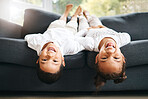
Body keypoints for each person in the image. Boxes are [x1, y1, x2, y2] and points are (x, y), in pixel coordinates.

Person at [25, 4, 84, 84]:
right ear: (62, 60)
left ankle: (66, 13)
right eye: (55, 61)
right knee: (73, 23)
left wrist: (40, 37)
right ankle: (75, 15)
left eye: (44, 60)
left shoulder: (36, 43)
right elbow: (83, 44)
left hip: (54, 29)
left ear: (38, 60)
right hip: (69, 32)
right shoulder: (70, 47)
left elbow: (27, 37)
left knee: (60, 20)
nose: (50, 55)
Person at [76, 10, 131, 90]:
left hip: (89, 31)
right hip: (102, 28)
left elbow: (76, 38)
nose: (110, 52)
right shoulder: (122, 40)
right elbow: (127, 36)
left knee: (83, 22)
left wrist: (87, 30)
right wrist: (102, 27)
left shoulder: (91, 44)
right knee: (95, 19)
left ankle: (81, 16)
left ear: (97, 57)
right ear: (122, 57)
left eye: (104, 58)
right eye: (116, 58)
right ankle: (88, 16)